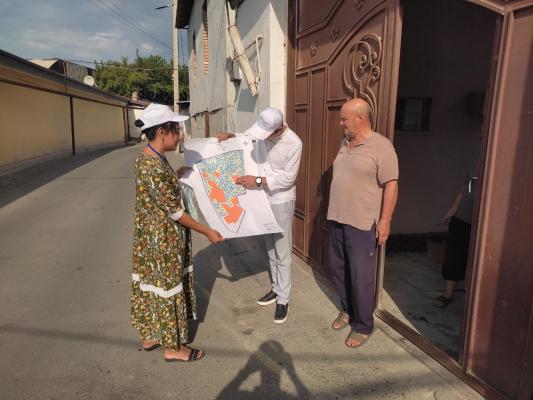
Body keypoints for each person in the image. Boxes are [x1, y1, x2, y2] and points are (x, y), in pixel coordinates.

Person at [131, 103, 224, 362]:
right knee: (169, 286)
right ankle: (173, 348)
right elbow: (176, 213)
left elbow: (161, 192)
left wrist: (177, 175)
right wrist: (207, 231)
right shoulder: (153, 166)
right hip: (162, 239)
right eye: (176, 129)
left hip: (149, 237)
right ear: (162, 132)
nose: (179, 135)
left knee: (154, 285)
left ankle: (151, 334)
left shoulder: (148, 157)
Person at [216, 107, 302, 324]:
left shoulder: (294, 143)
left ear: (279, 129)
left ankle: (283, 299)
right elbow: (247, 138)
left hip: (281, 200)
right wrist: (230, 136)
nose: (262, 138)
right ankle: (275, 288)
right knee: (270, 246)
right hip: (262, 199)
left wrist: (256, 181)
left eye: (267, 134)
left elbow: (288, 178)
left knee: (282, 250)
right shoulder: (263, 132)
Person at [327, 98, 399, 348]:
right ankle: (348, 310)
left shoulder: (382, 147)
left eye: (344, 119)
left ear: (361, 118)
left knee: (361, 277)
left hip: (362, 223)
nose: (341, 123)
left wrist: (385, 220)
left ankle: (363, 325)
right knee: (339, 270)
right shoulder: (344, 143)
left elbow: (391, 185)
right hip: (337, 219)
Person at [433, 163, 478, 308]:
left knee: (477, 259)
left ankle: (475, 299)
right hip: (461, 219)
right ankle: (448, 294)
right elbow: (465, 189)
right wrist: (452, 210)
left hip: (482, 222)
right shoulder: (476, 163)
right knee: (454, 256)